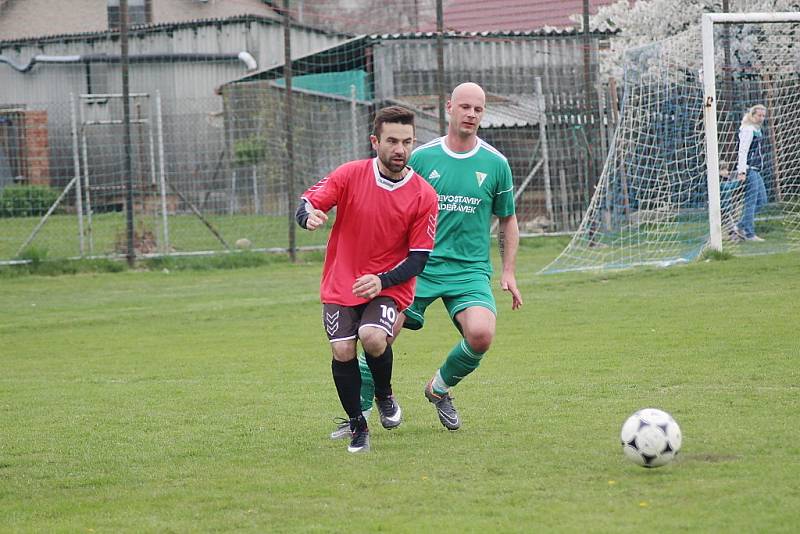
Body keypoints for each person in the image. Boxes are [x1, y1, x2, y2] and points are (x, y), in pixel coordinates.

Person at [329, 82, 523, 437]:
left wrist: (508, 270)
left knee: (481, 335)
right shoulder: (420, 156)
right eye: (464, 106)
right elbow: (389, 201)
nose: (471, 114)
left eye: (478, 109)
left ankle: (439, 388)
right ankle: (359, 417)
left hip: (469, 269)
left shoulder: (496, 163)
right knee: (379, 337)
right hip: (418, 267)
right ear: (449, 107)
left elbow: (507, 219)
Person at [298, 105, 438, 453]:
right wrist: (309, 217)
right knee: (343, 349)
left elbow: (419, 258)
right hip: (341, 281)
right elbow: (308, 202)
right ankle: (359, 425)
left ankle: (384, 393)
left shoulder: (424, 195)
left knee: (373, 337)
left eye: (406, 142)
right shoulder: (349, 175)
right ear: (375, 141)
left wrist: (382, 280)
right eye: (391, 141)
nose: (399, 150)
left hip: (390, 286)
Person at [731, 104, 768, 242]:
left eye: (763, 115)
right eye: (759, 115)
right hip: (749, 169)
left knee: (762, 201)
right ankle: (749, 233)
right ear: (752, 115)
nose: (761, 118)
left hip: (756, 170)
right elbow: (743, 151)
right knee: (751, 201)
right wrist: (741, 171)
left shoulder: (756, 130)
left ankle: (739, 226)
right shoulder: (747, 130)